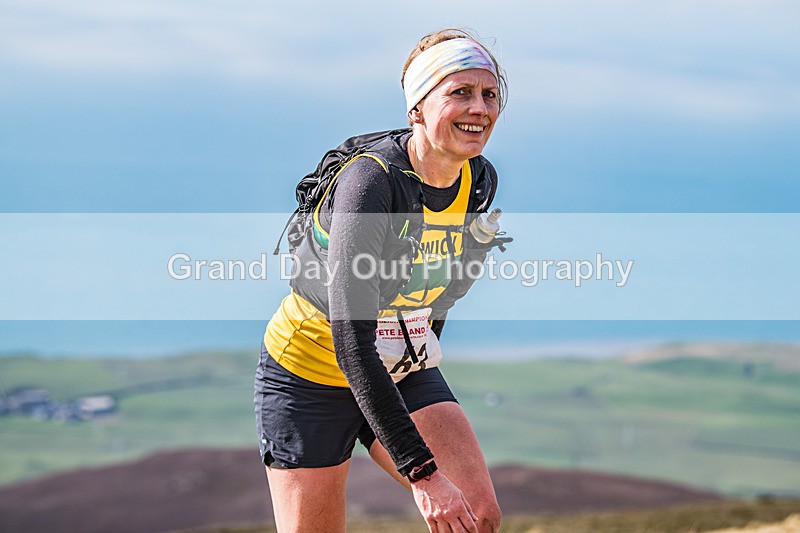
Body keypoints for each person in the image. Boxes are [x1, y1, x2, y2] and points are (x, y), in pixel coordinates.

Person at [254, 28, 508, 533]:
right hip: (310, 378)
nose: (480, 107)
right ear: (416, 108)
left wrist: (414, 357)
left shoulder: (477, 179)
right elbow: (351, 342)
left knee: (476, 518)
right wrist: (423, 472)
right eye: (460, 92)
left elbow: (443, 294)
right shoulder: (371, 186)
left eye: (490, 94)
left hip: (396, 366)